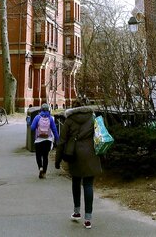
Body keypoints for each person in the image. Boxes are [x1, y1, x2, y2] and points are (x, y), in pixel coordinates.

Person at [55, 98, 102, 230]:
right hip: (90, 153)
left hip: (74, 154)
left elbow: (62, 141)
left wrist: (58, 160)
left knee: (76, 182)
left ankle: (76, 212)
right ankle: (88, 219)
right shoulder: (92, 117)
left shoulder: (69, 120)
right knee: (88, 185)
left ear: (73, 107)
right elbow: (99, 135)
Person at [27, 103, 59, 178]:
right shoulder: (50, 118)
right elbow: (54, 130)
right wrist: (58, 139)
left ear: (41, 110)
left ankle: (40, 168)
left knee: (38, 155)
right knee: (45, 156)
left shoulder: (37, 117)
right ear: (48, 110)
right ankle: (44, 172)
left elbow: (32, 128)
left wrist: (29, 122)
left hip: (38, 140)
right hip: (48, 140)